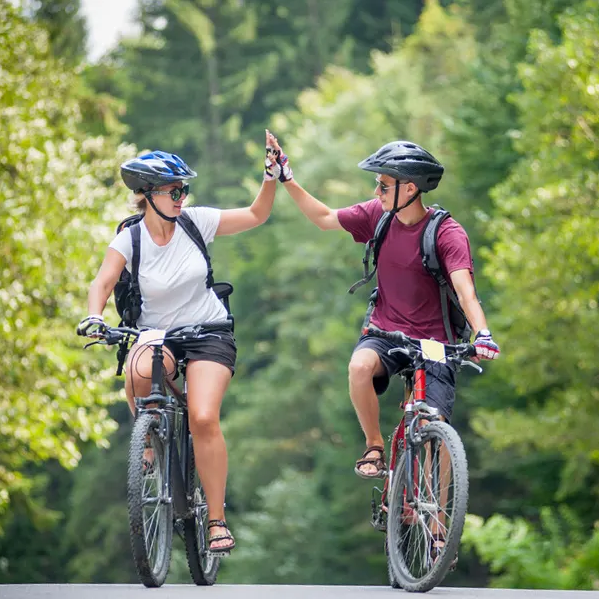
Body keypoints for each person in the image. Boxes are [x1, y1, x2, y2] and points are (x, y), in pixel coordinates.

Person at [265, 131, 500, 556]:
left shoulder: (446, 232)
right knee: (358, 368)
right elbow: (321, 217)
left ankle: (437, 523)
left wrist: (482, 334)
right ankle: (375, 444)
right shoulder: (378, 216)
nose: (376, 190)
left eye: (383, 183)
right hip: (386, 330)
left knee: (438, 428)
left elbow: (466, 290)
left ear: (409, 188)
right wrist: (286, 178)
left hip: (436, 343)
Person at [77, 134, 278, 554]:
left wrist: (271, 177)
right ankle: (149, 439)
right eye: (173, 190)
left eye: (183, 189)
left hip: (208, 331)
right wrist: (95, 316)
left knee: (203, 417)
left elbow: (258, 214)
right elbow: (103, 281)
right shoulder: (129, 240)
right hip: (157, 335)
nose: (181, 197)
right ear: (146, 196)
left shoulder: (196, 222)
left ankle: (217, 521)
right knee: (138, 368)